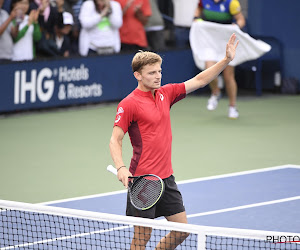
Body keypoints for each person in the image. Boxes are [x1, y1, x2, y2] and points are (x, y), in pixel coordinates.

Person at [109, 33, 239, 249]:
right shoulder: (129, 104)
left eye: (159, 71)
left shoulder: (165, 94)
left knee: (182, 231)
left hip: (167, 178)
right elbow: (115, 139)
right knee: (141, 239)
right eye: (151, 73)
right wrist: (121, 167)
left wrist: (225, 60)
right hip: (143, 181)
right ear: (137, 75)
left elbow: (200, 80)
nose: (158, 76)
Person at [194, 0, 245, 119]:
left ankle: (232, 106)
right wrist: (196, 17)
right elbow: (199, 9)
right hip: (209, 41)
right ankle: (216, 92)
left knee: (228, 76)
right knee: (209, 71)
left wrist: (237, 25)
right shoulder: (203, 1)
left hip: (225, 41)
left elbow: (241, 20)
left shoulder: (232, 3)